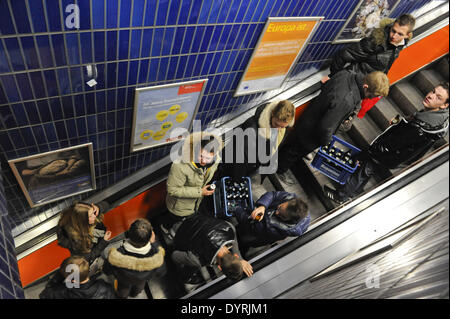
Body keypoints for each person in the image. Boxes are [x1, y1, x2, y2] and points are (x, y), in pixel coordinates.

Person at [324, 82, 449, 204]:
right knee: (367, 169)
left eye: (438, 97)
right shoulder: (437, 119)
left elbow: (395, 142)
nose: (430, 96)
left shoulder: (421, 127)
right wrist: (401, 122)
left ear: (444, 105)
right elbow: (411, 126)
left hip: (391, 153)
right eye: (433, 91)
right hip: (397, 152)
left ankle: (341, 196)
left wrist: (372, 151)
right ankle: (352, 192)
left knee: (366, 167)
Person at [277, 70, 390, 175]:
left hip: (309, 118)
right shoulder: (347, 100)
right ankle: (279, 170)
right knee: (292, 153)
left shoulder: (346, 74)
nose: (370, 99)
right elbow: (325, 127)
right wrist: (326, 142)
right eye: (371, 96)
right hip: (311, 133)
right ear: (365, 87)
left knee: (290, 146)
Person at [324, 14, 415, 119]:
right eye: (393, 31)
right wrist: (334, 78)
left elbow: (385, 64)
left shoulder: (400, 45)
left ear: (407, 35)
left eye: (400, 34)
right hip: (351, 83)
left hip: (365, 89)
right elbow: (344, 55)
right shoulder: (375, 42)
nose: (394, 36)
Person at [171, 214, 253, 288]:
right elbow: (174, 255)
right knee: (191, 265)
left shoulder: (229, 228)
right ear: (219, 267)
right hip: (180, 231)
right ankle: (184, 278)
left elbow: (233, 236)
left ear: (236, 256)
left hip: (195, 217)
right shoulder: (198, 260)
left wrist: (240, 260)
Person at [220, 100, 295, 181]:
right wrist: (238, 179)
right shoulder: (251, 129)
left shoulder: (282, 127)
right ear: (272, 113)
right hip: (233, 167)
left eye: (282, 127)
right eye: (276, 125)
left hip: (251, 166)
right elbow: (239, 159)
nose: (278, 129)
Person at [234, 191, 310, 257]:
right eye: (280, 207)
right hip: (260, 224)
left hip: (256, 235)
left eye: (282, 216)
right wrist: (262, 206)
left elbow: (248, 223)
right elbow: (274, 195)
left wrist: (236, 208)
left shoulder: (273, 228)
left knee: (242, 239)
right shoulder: (296, 204)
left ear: (289, 221)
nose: (277, 212)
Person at [103, 218, 165, 299]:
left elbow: (106, 270)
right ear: (150, 237)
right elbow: (161, 272)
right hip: (141, 281)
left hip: (123, 281)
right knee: (138, 289)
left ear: (129, 233)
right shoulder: (156, 257)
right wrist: (155, 244)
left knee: (122, 291)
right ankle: (134, 294)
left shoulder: (115, 255)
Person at [56, 201, 112, 275]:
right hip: (95, 251)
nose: (95, 216)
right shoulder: (77, 241)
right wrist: (104, 241)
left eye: (93, 213)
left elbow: (107, 204)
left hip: (97, 241)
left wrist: (98, 207)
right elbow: (88, 257)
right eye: (90, 216)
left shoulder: (82, 216)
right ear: (82, 222)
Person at [39, 255, 116, 299]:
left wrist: (60, 274)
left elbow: (44, 295)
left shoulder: (61, 292)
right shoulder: (105, 288)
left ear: (72, 280)